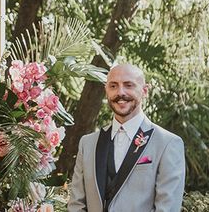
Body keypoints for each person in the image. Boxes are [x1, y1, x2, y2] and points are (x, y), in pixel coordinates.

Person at [67, 63, 185, 212]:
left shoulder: (168, 143)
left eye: (128, 85)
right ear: (106, 90)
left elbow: (167, 208)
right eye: (113, 86)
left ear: (144, 91)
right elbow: (76, 204)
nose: (120, 92)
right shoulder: (87, 143)